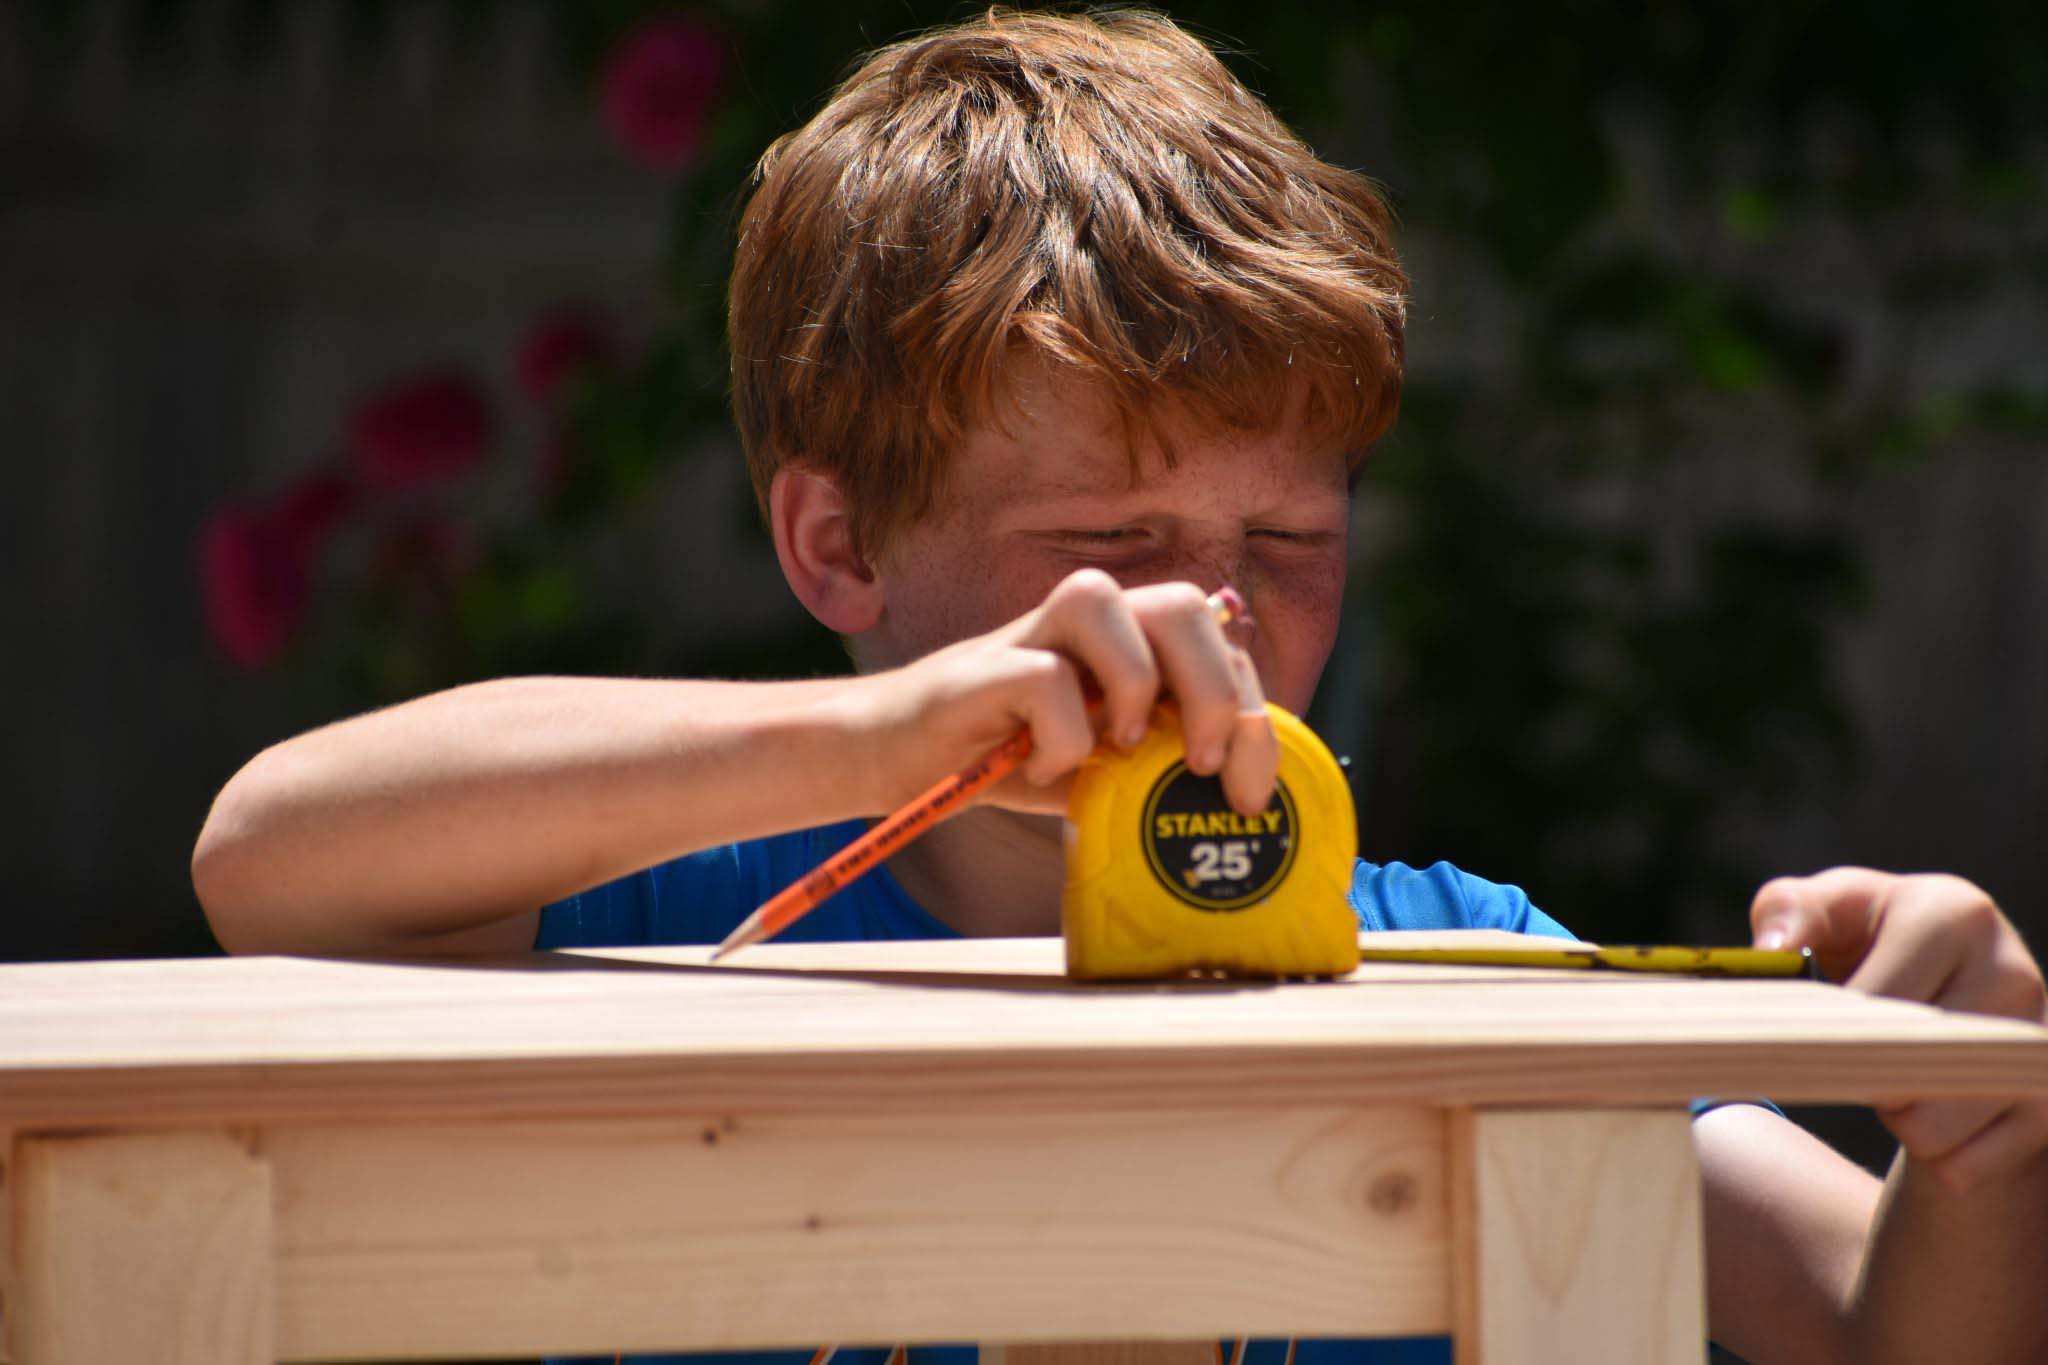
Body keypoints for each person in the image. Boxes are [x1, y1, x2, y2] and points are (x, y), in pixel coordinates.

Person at [192, 11, 2048, 1364]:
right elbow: (266, 855)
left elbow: (1880, 1327)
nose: (1220, 619)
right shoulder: (691, 933)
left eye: (1293, 537)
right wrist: (893, 735)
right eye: (1120, 535)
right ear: (837, 550)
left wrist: (1984, 1139)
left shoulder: (1448, 959)